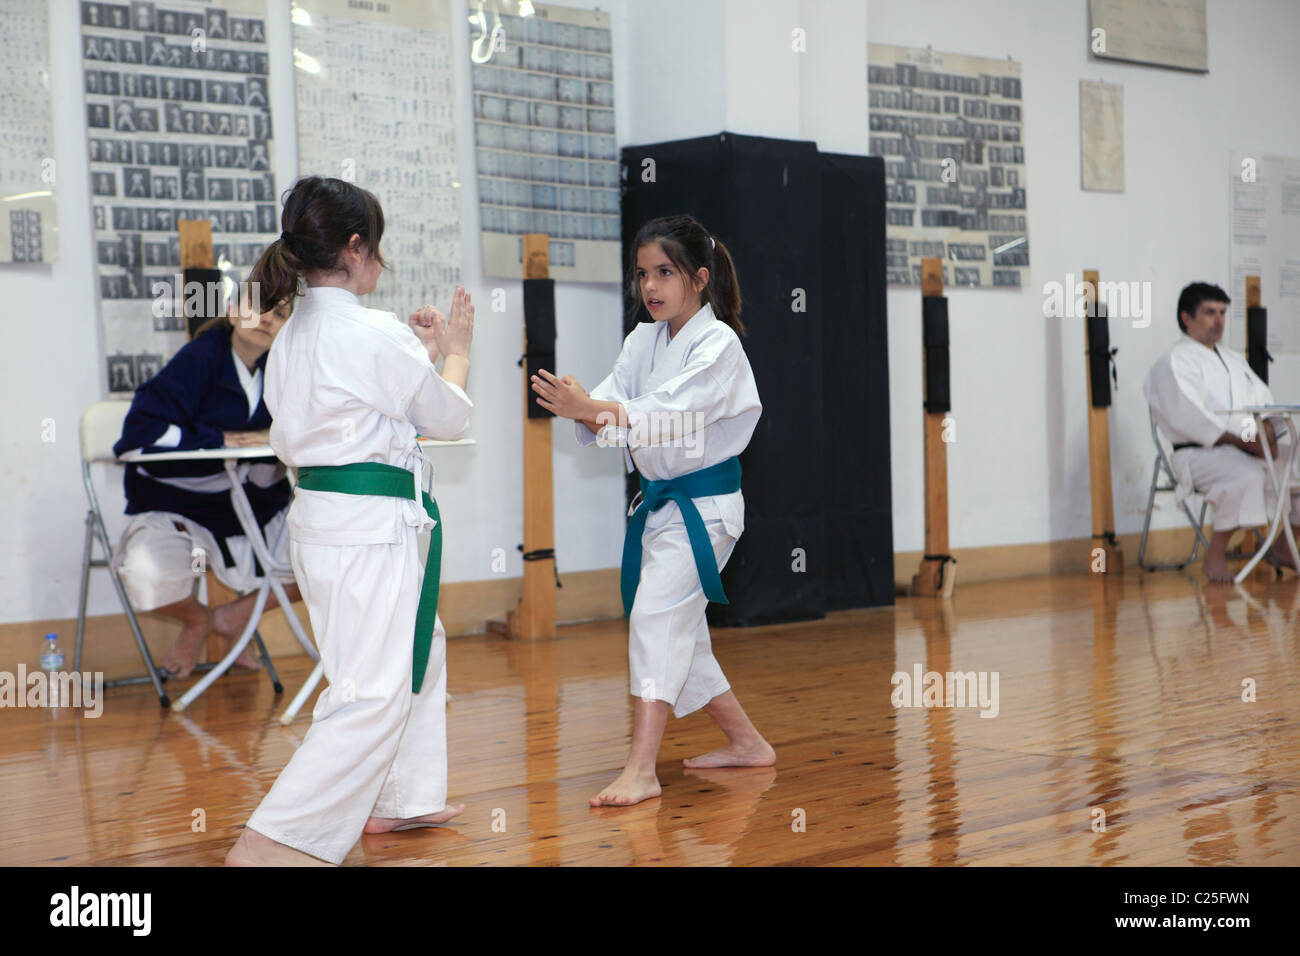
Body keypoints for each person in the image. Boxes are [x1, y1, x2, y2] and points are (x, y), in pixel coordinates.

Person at [225, 176, 474, 866]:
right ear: (357, 248)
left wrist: (417, 356)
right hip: (367, 532)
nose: (381, 261)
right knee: (369, 695)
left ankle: (402, 798)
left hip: (324, 527)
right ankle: (272, 839)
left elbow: (360, 404)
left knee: (420, 644)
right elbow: (449, 416)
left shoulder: (296, 332)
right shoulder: (368, 330)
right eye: (378, 247)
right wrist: (455, 350)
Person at [530, 214, 774, 808]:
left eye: (665, 273)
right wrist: (583, 409)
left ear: (698, 277)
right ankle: (748, 744)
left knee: (654, 620)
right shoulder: (644, 339)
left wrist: (593, 407)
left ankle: (641, 770)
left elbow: (666, 413)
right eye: (643, 274)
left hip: (707, 508)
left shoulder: (718, 346)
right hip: (662, 505)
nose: (651, 287)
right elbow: (617, 414)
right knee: (682, 638)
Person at [112, 287, 300, 678]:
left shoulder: (284, 370)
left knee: (329, 558)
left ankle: (234, 618)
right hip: (181, 506)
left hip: (255, 506)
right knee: (146, 574)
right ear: (232, 313)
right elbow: (139, 431)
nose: (267, 319)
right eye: (259, 308)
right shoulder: (200, 359)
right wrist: (220, 440)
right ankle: (198, 620)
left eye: (280, 314)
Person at [1144, 281, 1300, 582]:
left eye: (1222, 313)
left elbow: (1262, 402)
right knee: (1247, 476)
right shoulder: (1173, 362)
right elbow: (1189, 416)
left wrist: (1264, 432)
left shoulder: (1232, 359)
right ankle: (1214, 557)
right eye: (1209, 312)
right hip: (1200, 451)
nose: (1218, 320)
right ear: (1186, 318)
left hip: (1247, 445)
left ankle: (1282, 547)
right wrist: (1246, 438)